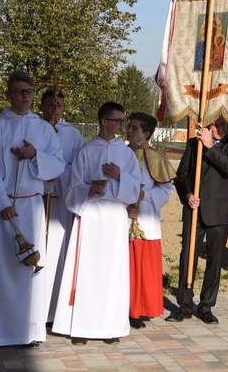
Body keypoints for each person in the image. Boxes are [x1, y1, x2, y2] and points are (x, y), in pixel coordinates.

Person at [0, 71, 65, 350]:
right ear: (8, 94)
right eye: (19, 91)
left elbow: (59, 163)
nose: (25, 96)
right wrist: (2, 203)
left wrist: (35, 156)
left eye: (29, 91)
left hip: (30, 205)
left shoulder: (43, 128)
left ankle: (26, 331)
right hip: (0, 205)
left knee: (27, 267)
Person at [52, 102, 141, 345]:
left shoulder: (126, 154)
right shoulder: (86, 151)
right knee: (87, 272)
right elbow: (72, 190)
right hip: (90, 216)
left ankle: (110, 326)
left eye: (124, 121)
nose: (122, 125)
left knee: (112, 273)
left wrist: (120, 176)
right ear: (104, 122)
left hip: (114, 218)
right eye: (118, 121)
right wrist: (89, 189)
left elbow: (135, 191)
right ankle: (82, 326)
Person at [166, 115, 228, 324]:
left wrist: (210, 145)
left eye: (223, 125)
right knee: (187, 257)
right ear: (207, 126)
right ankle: (184, 305)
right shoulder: (193, 144)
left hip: (220, 210)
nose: (220, 129)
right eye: (215, 125)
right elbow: (181, 175)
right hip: (195, 210)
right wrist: (188, 195)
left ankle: (206, 306)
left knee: (214, 259)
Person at [125, 112, 175, 329]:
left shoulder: (156, 157)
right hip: (123, 217)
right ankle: (124, 307)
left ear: (146, 133)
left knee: (143, 267)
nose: (129, 131)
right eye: (129, 127)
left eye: (134, 128)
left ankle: (139, 309)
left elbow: (166, 188)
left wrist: (145, 197)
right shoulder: (120, 153)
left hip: (146, 218)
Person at [38, 89, 84, 324]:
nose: (54, 110)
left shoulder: (73, 134)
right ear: (42, 106)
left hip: (60, 201)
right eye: (50, 105)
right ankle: (34, 307)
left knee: (57, 251)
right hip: (36, 200)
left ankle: (54, 310)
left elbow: (77, 168)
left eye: (59, 106)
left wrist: (55, 174)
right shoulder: (35, 129)